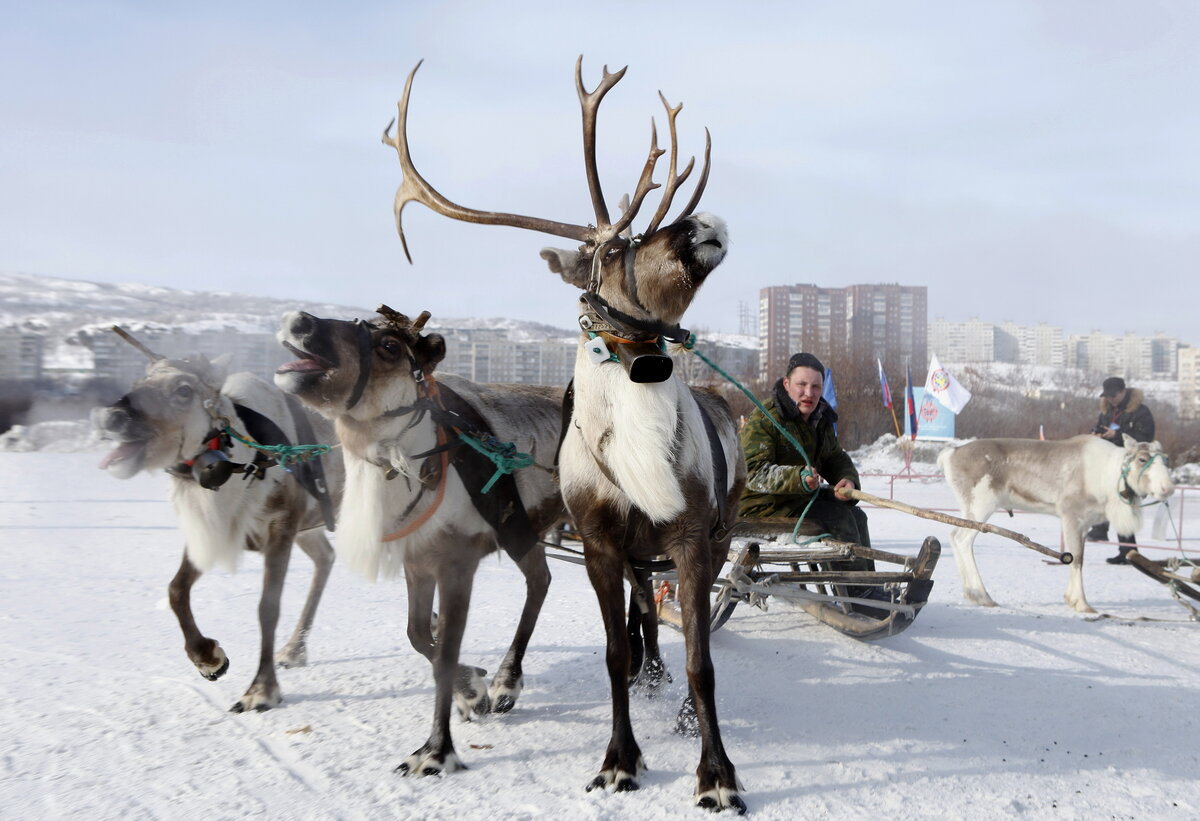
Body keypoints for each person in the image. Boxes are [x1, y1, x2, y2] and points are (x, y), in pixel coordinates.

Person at [739, 353, 880, 604]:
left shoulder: (820, 419)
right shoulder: (764, 419)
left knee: (857, 515)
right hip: (762, 507)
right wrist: (798, 478)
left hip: (798, 501)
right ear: (786, 385)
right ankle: (857, 594)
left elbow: (835, 458)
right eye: (801, 385)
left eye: (815, 386)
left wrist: (846, 479)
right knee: (839, 517)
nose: (809, 393)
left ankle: (867, 585)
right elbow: (753, 472)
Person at [1086, 376, 1156, 564]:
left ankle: (1128, 551)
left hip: (1130, 468)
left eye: (1113, 395)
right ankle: (1123, 549)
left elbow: (1146, 436)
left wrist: (1117, 434)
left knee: (1123, 506)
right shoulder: (1107, 412)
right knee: (1110, 501)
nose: (1110, 399)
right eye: (1107, 396)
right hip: (1109, 464)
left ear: (1123, 392)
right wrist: (1097, 434)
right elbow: (1099, 426)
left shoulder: (1141, 412)